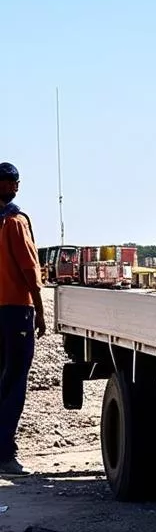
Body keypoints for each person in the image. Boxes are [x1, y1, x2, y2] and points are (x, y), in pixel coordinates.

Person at [0, 162, 46, 475]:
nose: (17, 186)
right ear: (10, 185)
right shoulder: (14, 222)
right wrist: (41, 308)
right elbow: (29, 268)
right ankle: (5, 453)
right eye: (14, 181)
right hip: (16, 309)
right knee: (15, 381)